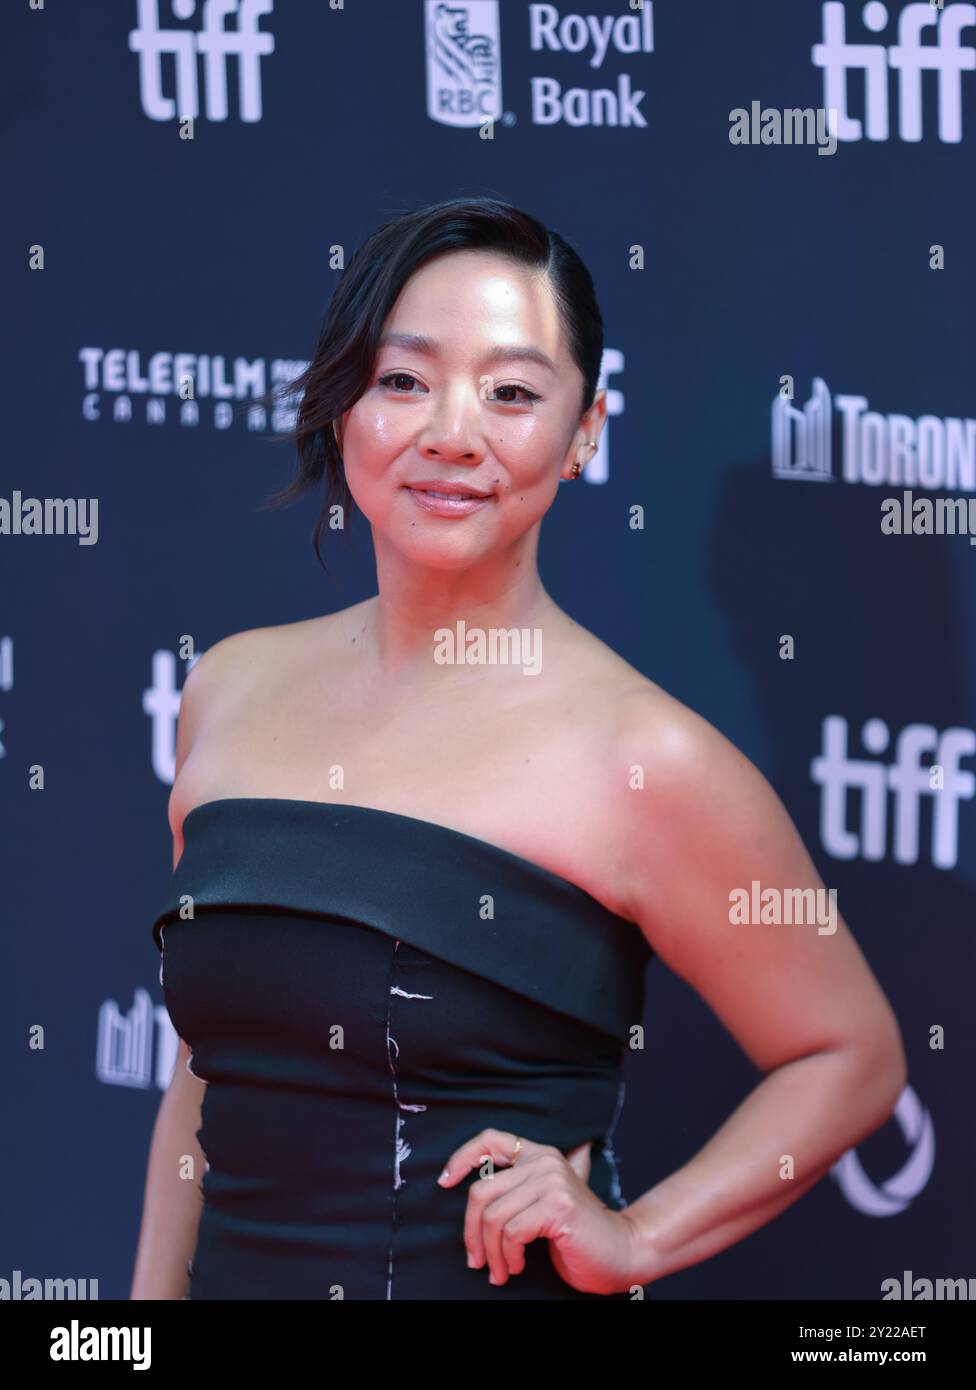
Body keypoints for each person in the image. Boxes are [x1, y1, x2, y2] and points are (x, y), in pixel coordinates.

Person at [130, 197, 906, 1301]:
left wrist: (639, 1235)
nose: (452, 431)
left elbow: (851, 1054)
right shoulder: (228, 687)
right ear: (346, 402)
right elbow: (206, 1083)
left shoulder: (643, 756)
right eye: (405, 379)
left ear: (585, 431)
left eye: (511, 392)